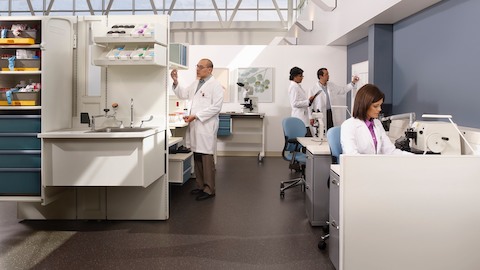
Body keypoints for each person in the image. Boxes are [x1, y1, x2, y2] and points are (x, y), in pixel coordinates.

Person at [171, 58, 224, 201]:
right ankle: (201, 186)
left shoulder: (215, 86)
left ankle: (209, 189)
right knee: (197, 156)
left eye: (201, 67)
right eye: (197, 66)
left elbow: (216, 108)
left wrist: (197, 116)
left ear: (210, 69)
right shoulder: (196, 83)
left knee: (206, 158)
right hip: (195, 126)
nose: (197, 69)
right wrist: (176, 81)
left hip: (206, 126)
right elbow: (183, 94)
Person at [341, 84, 412, 155]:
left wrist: (415, 158)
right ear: (364, 105)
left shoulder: (377, 123)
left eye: (380, 105)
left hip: (375, 164)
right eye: (375, 106)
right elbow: (351, 155)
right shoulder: (348, 125)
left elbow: (390, 151)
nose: (379, 109)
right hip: (359, 165)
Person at [309, 68, 359, 133]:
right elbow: (310, 104)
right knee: (321, 131)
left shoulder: (331, 85)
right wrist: (311, 117)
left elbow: (342, 90)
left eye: (328, 74)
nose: (328, 76)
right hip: (320, 114)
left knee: (331, 130)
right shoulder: (313, 88)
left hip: (331, 112)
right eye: (326, 74)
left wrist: (353, 83)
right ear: (320, 76)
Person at [288, 66, 315, 137]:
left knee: (307, 139)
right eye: (300, 76)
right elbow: (294, 103)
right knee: (307, 139)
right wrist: (308, 101)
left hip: (303, 117)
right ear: (295, 76)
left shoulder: (297, 86)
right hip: (300, 117)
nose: (302, 77)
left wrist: (308, 101)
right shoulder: (294, 87)